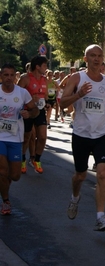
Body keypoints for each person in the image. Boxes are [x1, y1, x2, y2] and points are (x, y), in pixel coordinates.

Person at [60, 44, 105, 231]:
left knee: (102, 174)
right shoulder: (77, 78)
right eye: (92, 56)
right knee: (80, 175)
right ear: (85, 59)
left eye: (99, 56)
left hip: (102, 132)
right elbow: (62, 103)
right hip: (81, 134)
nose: (96, 59)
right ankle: (74, 198)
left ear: (103, 59)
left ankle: (100, 217)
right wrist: (79, 94)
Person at [0, 64, 39, 215]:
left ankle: (3, 186)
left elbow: (35, 109)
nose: (9, 78)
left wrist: (29, 114)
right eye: (5, 75)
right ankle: (6, 201)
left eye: (11, 75)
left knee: (15, 175)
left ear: (15, 77)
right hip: (0, 137)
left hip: (15, 138)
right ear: (1, 76)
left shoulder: (22, 93)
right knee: (3, 171)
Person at [17, 55, 49, 174]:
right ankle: (22, 159)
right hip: (28, 111)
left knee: (42, 137)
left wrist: (46, 102)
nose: (46, 68)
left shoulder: (44, 79)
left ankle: (37, 159)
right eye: (44, 65)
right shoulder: (25, 78)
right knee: (26, 138)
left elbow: (45, 95)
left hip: (40, 111)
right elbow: (17, 95)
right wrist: (29, 99)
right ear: (37, 66)